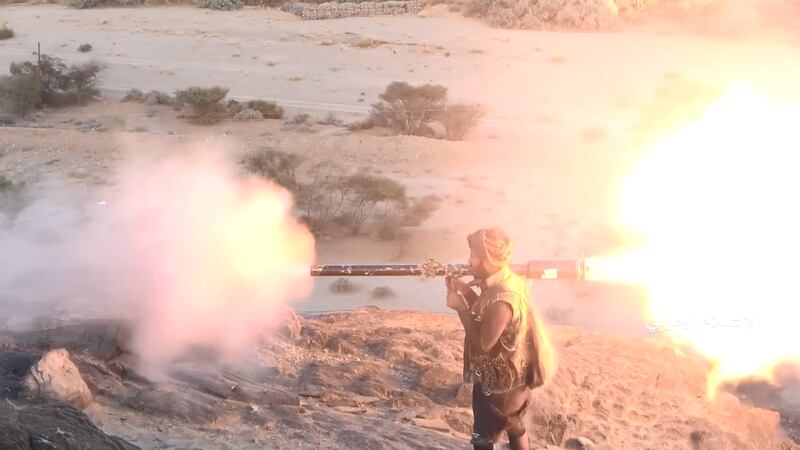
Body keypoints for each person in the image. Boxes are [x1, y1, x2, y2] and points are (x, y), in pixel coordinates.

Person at [445, 228, 554, 450]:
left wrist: (460, 309)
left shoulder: (502, 298)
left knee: (482, 438)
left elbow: (483, 345)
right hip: (517, 379)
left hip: (497, 386)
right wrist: (467, 293)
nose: (469, 261)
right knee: (514, 424)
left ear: (486, 261)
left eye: (473, 257)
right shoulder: (509, 281)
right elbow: (491, 318)